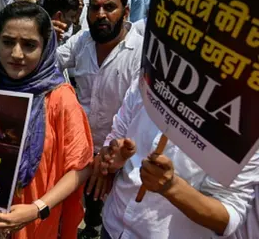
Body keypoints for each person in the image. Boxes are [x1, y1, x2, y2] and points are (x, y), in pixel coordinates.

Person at [0, 1, 93, 239]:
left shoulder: (59, 98)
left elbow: (81, 167)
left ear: (45, 47)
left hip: (32, 224)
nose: (16, 54)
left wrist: (37, 208)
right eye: (8, 42)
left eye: (29, 45)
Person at [88, 78, 259, 239]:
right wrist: (113, 157)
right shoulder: (152, 74)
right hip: (112, 225)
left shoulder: (244, 124)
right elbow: (117, 135)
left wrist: (172, 188)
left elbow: (228, 217)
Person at [56, 0, 142, 239]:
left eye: (109, 7)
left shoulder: (139, 53)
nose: (101, 14)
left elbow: (132, 115)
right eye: (95, 8)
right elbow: (50, 64)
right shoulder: (81, 42)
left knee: (107, 215)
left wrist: (104, 160)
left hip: (115, 156)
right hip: (76, 150)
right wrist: (43, 37)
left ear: (125, 12)